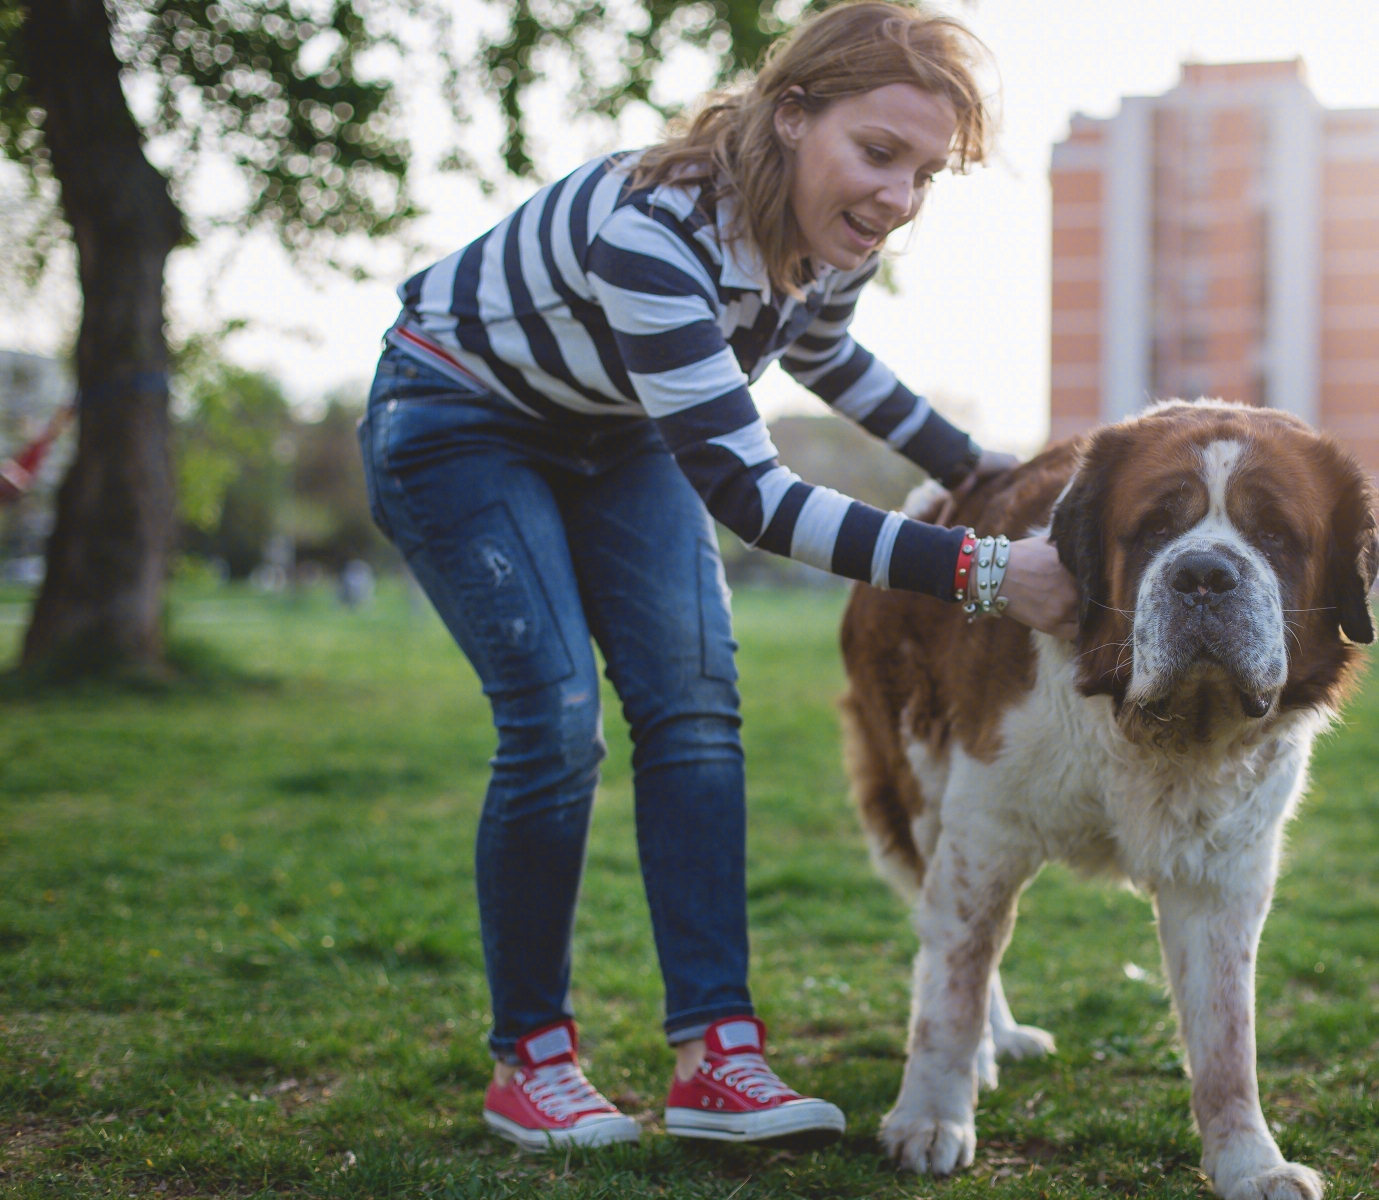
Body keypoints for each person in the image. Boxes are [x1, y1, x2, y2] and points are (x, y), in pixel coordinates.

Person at [358, 0, 1078, 1155]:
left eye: (924, 174)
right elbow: (752, 495)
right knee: (553, 718)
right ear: (792, 115)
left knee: (695, 709)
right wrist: (986, 568)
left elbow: (826, 354)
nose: (897, 199)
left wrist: (981, 470)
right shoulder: (659, 227)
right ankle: (530, 1062)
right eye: (877, 154)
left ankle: (716, 1058)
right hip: (459, 418)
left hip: (614, 431)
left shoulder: (828, 238)